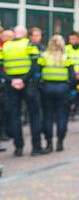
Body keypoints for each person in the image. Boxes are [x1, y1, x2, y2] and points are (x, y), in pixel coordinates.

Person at [0, 25, 44, 156]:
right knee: (34, 115)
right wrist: (23, 80)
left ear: (14, 34)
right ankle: (36, 148)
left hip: (11, 86)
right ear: (25, 34)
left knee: (15, 116)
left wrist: (11, 80)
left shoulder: (5, 46)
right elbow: (35, 66)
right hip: (28, 85)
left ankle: (18, 148)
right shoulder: (29, 44)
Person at [38, 35, 74, 153]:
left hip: (47, 88)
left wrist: (41, 87)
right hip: (62, 89)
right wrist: (69, 88)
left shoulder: (44, 56)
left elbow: (38, 73)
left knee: (47, 116)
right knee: (62, 117)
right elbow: (72, 76)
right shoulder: (66, 57)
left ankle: (48, 144)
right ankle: (60, 143)